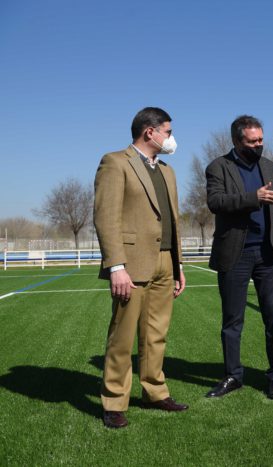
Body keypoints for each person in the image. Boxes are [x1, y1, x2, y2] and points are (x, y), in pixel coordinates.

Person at [93, 107, 188, 429]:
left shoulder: (168, 171)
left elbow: (172, 222)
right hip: (131, 264)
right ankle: (114, 402)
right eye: (168, 131)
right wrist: (116, 266)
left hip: (164, 261)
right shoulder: (115, 162)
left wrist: (178, 266)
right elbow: (106, 217)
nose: (171, 138)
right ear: (150, 132)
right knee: (122, 336)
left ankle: (155, 392)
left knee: (156, 335)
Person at [205, 115, 273, 400]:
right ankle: (233, 375)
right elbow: (216, 202)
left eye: (261, 140)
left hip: (269, 255)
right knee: (233, 321)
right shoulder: (218, 167)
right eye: (252, 141)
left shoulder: (269, 166)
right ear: (236, 141)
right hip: (236, 254)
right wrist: (252, 198)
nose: (259, 145)